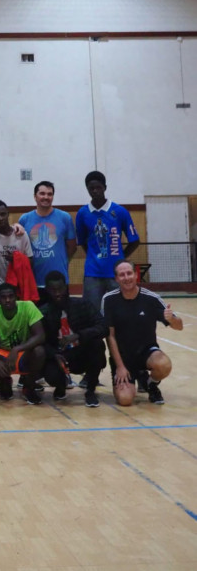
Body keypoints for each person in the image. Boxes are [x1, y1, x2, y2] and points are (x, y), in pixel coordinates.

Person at [103, 260, 183, 406]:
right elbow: (110, 336)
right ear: (116, 279)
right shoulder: (109, 300)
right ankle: (135, 377)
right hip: (123, 357)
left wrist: (171, 319)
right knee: (125, 400)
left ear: (136, 275)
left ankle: (151, 385)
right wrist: (120, 366)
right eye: (122, 275)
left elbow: (179, 327)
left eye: (129, 273)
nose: (126, 277)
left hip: (147, 353)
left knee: (163, 364)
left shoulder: (151, 298)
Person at [41, 271, 107, 407]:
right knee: (51, 373)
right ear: (47, 291)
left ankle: (90, 390)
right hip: (60, 355)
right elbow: (41, 341)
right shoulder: (43, 312)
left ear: (66, 287)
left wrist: (78, 335)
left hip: (82, 352)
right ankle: (60, 387)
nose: (57, 293)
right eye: (53, 290)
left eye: (60, 289)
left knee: (97, 344)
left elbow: (103, 327)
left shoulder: (83, 305)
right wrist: (54, 355)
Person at [75, 171, 140, 310]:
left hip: (116, 273)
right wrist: (93, 255)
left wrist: (121, 258)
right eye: (91, 188)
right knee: (91, 311)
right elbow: (82, 241)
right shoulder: (82, 213)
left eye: (98, 187)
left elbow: (135, 240)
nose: (95, 191)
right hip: (92, 273)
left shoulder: (120, 211)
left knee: (121, 310)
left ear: (105, 187)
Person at [0, 283, 46, 404]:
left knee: (39, 351)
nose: (8, 300)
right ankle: (5, 380)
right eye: (3, 297)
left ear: (16, 297)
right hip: (3, 354)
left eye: (11, 296)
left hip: (23, 353)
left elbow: (40, 336)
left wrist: (16, 349)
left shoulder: (28, 306)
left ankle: (29, 385)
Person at [19, 181, 77, 302]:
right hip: (34, 282)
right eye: (42, 193)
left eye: (49, 194)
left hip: (59, 282)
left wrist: (62, 261)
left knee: (62, 318)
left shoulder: (64, 217)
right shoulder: (24, 219)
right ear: (35, 196)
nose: (46, 197)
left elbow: (72, 246)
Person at [0, 200, 34, 299]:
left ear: (8, 214)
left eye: (3, 214)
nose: (0, 218)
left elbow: (31, 261)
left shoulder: (22, 235)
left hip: (19, 287)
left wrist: (16, 259)